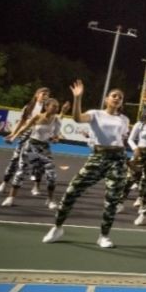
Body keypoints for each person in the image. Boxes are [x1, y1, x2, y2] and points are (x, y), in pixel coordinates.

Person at [42, 81, 131, 248]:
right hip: (98, 157)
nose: (117, 98)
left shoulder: (124, 119)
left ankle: (104, 236)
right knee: (72, 191)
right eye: (114, 96)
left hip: (118, 159)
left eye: (120, 97)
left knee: (112, 199)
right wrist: (77, 98)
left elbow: (121, 139)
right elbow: (77, 118)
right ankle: (57, 227)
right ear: (106, 99)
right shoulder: (95, 114)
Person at [3, 97, 61, 209]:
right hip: (31, 146)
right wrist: (13, 137)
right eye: (54, 106)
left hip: (44, 148)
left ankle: (50, 200)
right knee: (22, 171)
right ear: (46, 107)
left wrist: (55, 139)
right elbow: (24, 129)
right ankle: (10, 198)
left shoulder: (57, 120)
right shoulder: (37, 117)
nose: (56, 109)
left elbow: (56, 136)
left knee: (52, 174)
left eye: (57, 107)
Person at [0, 87, 50, 196]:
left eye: (47, 95)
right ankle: (4, 183)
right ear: (37, 95)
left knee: (37, 163)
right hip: (25, 136)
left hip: (38, 138)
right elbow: (21, 122)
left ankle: (36, 186)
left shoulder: (47, 110)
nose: (46, 96)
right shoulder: (28, 107)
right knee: (15, 159)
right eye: (43, 94)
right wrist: (13, 134)